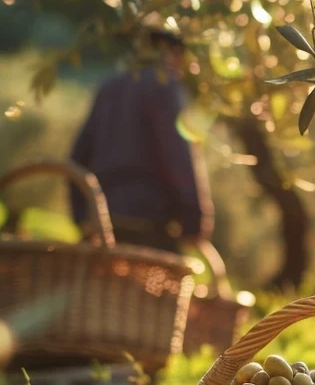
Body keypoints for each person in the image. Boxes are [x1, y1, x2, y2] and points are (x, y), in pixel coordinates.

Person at [69, 26, 213, 254]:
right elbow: (178, 156)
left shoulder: (109, 87)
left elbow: (77, 156)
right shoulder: (164, 86)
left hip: (103, 217)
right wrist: (195, 218)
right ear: (168, 51)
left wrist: (81, 216)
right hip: (148, 222)